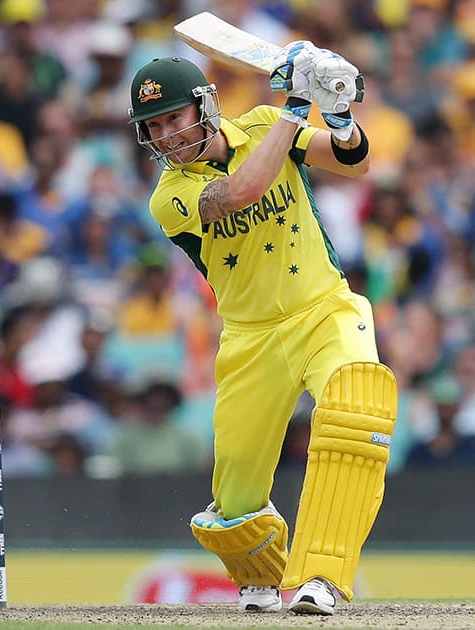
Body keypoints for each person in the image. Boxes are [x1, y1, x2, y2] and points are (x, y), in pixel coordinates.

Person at [126, 47, 397, 616]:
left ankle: (322, 577)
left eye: (173, 118)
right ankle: (261, 575)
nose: (166, 135)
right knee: (236, 497)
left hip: (324, 309)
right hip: (251, 338)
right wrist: (298, 105)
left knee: (356, 405)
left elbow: (354, 162)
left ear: (205, 106)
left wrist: (340, 112)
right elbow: (241, 191)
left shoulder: (263, 125)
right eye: (154, 126)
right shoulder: (169, 196)